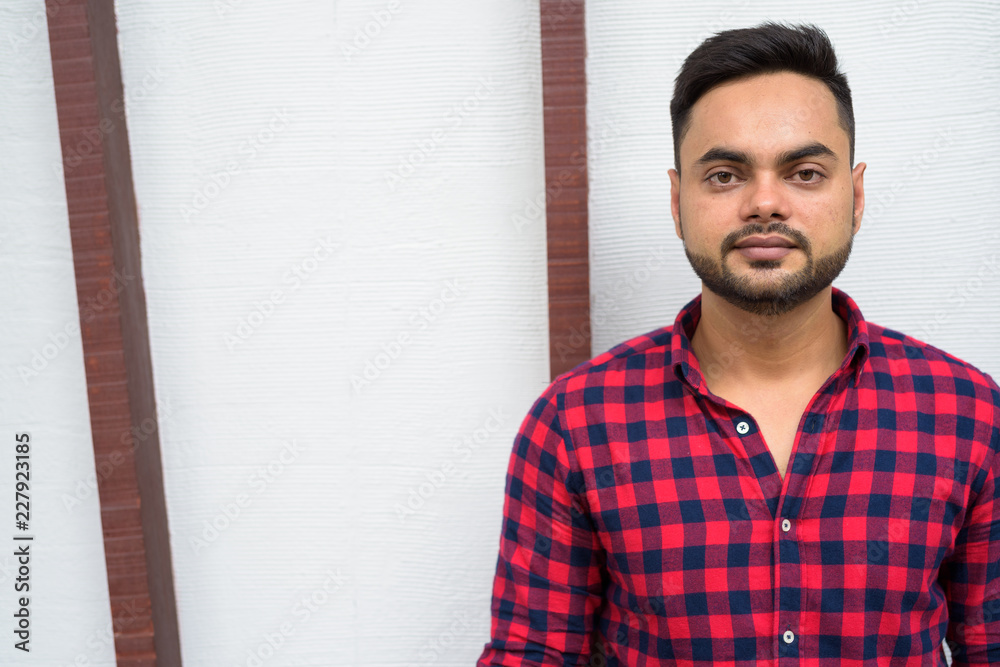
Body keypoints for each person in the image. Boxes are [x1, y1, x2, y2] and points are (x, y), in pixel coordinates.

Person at [477, 22, 1000, 666]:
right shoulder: (576, 423)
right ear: (677, 201)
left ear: (856, 197)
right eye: (725, 175)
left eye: (805, 172)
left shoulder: (969, 414)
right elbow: (531, 656)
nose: (765, 203)